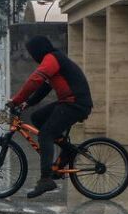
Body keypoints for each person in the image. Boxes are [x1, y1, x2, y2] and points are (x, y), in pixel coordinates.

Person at [6, 36, 93, 198]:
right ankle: (67, 150)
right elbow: (45, 87)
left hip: (75, 104)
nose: (32, 56)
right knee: (38, 117)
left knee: (46, 134)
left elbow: (35, 80)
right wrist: (28, 103)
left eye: (32, 52)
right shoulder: (53, 59)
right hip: (69, 102)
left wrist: (16, 100)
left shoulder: (52, 58)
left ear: (38, 50)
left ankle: (46, 179)